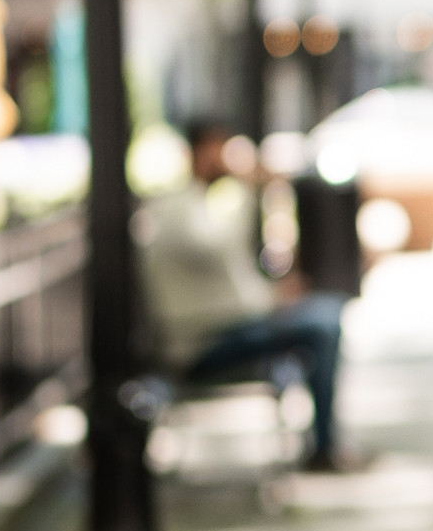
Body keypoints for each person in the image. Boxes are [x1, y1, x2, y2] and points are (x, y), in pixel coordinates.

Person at [137, 121, 351, 469]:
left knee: (326, 314)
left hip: (225, 327)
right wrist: (250, 189)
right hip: (200, 343)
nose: (229, 158)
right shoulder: (177, 209)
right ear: (199, 151)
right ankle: (324, 449)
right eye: (221, 148)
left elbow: (228, 274)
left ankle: (325, 445)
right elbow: (217, 249)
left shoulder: (199, 206)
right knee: (322, 327)